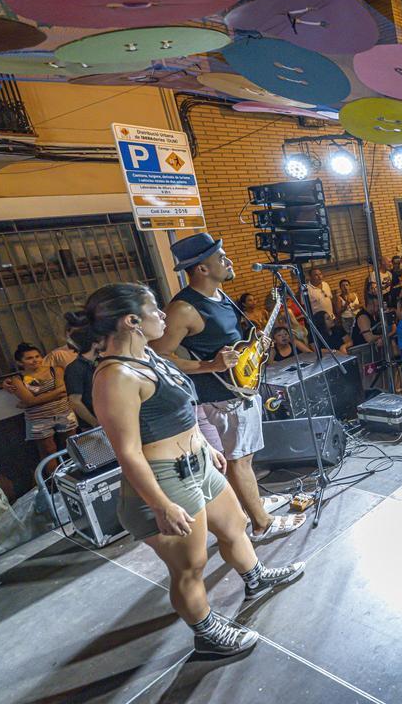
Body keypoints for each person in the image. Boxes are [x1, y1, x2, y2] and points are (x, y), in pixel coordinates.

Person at [81, 284, 303, 659]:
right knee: (191, 566)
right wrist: (161, 505)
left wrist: (204, 444)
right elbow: (128, 452)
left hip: (198, 463)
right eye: (156, 310)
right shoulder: (114, 376)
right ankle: (206, 633)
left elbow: (182, 407)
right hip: (164, 480)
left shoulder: (151, 357)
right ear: (132, 321)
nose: (164, 316)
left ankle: (256, 577)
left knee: (234, 526)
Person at [152, 233, 304, 542]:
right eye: (221, 257)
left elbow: (233, 341)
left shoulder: (221, 297)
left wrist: (256, 347)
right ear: (202, 269)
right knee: (239, 459)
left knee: (245, 456)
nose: (228, 261)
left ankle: (252, 506)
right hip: (222, 396)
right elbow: (159, 356)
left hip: (241, 388)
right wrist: (210, 366)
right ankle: (262, 524)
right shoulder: (184, 308)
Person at [2, 343, 77, 458]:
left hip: (63, 412)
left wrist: (34, 400)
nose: (35, 360)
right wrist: (55, 393)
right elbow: (31, 400)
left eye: (37, 356)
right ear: (20, 362)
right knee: (48, 451)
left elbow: (63, 392)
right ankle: (53, 476)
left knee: (72, 444)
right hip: (38, 418)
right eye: (29, 358)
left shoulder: (55, 370)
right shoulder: (18, 379)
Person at [64, 324, 104, 429]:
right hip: (95, 426)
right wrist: (96, 423)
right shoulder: (74, 368)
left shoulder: (103, 361)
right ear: (94, 343)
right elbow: (75, 401)